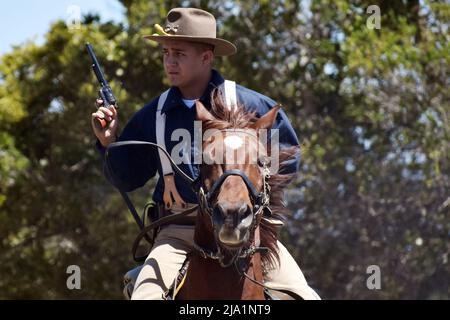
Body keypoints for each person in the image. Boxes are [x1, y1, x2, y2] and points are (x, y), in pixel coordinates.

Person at [92, 7, 320, 300]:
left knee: (306, 297)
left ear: (206, 57)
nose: (170, 62)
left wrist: (250, 199)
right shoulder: (153, 115)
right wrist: (108, 141)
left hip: (249, 234)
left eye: (179, 54)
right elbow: (126, 179)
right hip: (178, 235)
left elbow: (287, 159)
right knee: (144, 297)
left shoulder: (253, 105)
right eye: (166, 53)